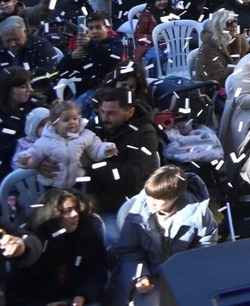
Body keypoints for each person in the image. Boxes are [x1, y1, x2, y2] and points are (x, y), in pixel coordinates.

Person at [111, 165, 219, 305]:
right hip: (151, 275)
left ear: (174, 197)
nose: (151, 203)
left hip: (186, 274)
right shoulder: (138, 214)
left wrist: (187, 269)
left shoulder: (199, 214)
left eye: (158, 199)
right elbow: (129, 251)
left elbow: (206, 246)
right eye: (149, 196)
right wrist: (141, 276)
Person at [12, 189, 107, 306]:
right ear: (52, 216)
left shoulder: (87, 234)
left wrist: (83, 295)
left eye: (75, 209)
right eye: (68, 211)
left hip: (78, 299)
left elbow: (98, 272)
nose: (75, 214)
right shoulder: (31, 245)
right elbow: (15, 294)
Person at [17, 100, 114, 191]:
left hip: (78, 183)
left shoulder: (86, 135)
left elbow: (96, 149)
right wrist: (26, 160)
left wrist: (106, 150)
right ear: (55, 124)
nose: (72, 122)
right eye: (66, 120)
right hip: (52, 185)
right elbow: (34, 154)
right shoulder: (45, 141)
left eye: (75, 118)